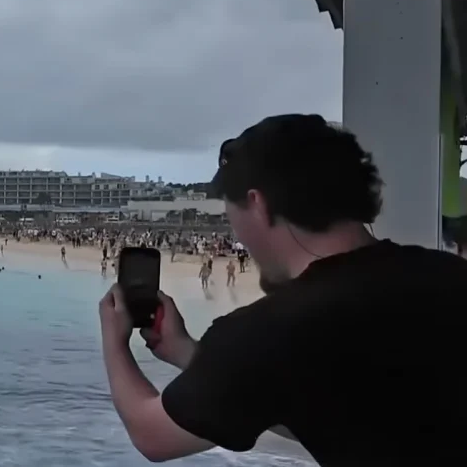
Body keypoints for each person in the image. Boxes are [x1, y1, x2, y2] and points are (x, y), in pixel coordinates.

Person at [98, 114, 467, 465]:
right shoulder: (450, 274)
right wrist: (189, 355)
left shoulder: (271, 332)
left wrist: (115, 341)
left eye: (232, 216)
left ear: (257, 204)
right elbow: (326, 413)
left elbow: (153, 434)